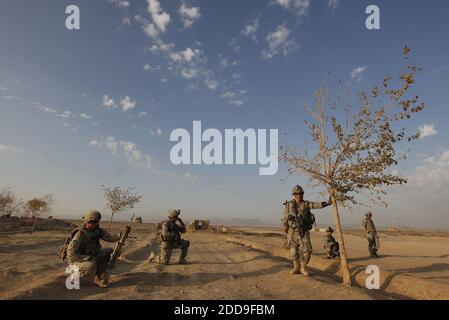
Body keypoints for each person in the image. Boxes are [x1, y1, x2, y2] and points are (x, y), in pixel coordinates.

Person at [282, 185, 331, 276]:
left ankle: (303, 267)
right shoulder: (289, 205)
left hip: (303, 231)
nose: (299, 195)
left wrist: (327, 203)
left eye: (300, 193)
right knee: (293, 251)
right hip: (292, 231)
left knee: (308, 250)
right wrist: (288, 220)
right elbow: (284, 218)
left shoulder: (306, 204)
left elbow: (316, 205)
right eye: (296, 194)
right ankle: (296, 266)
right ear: (294, 195)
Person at [66, 210, 122, 288]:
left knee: (108, 251)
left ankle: (97, 277)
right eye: (91, 222)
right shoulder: (80, 234)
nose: (94, 224)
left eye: (96, 222)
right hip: (77, 260)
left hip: (92, 256)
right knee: (91, 265)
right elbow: (71, 254)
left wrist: (120, 236)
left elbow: (110, 238)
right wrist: (88, 258)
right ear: (86, 222)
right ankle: (76, 279)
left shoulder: (99, 231)